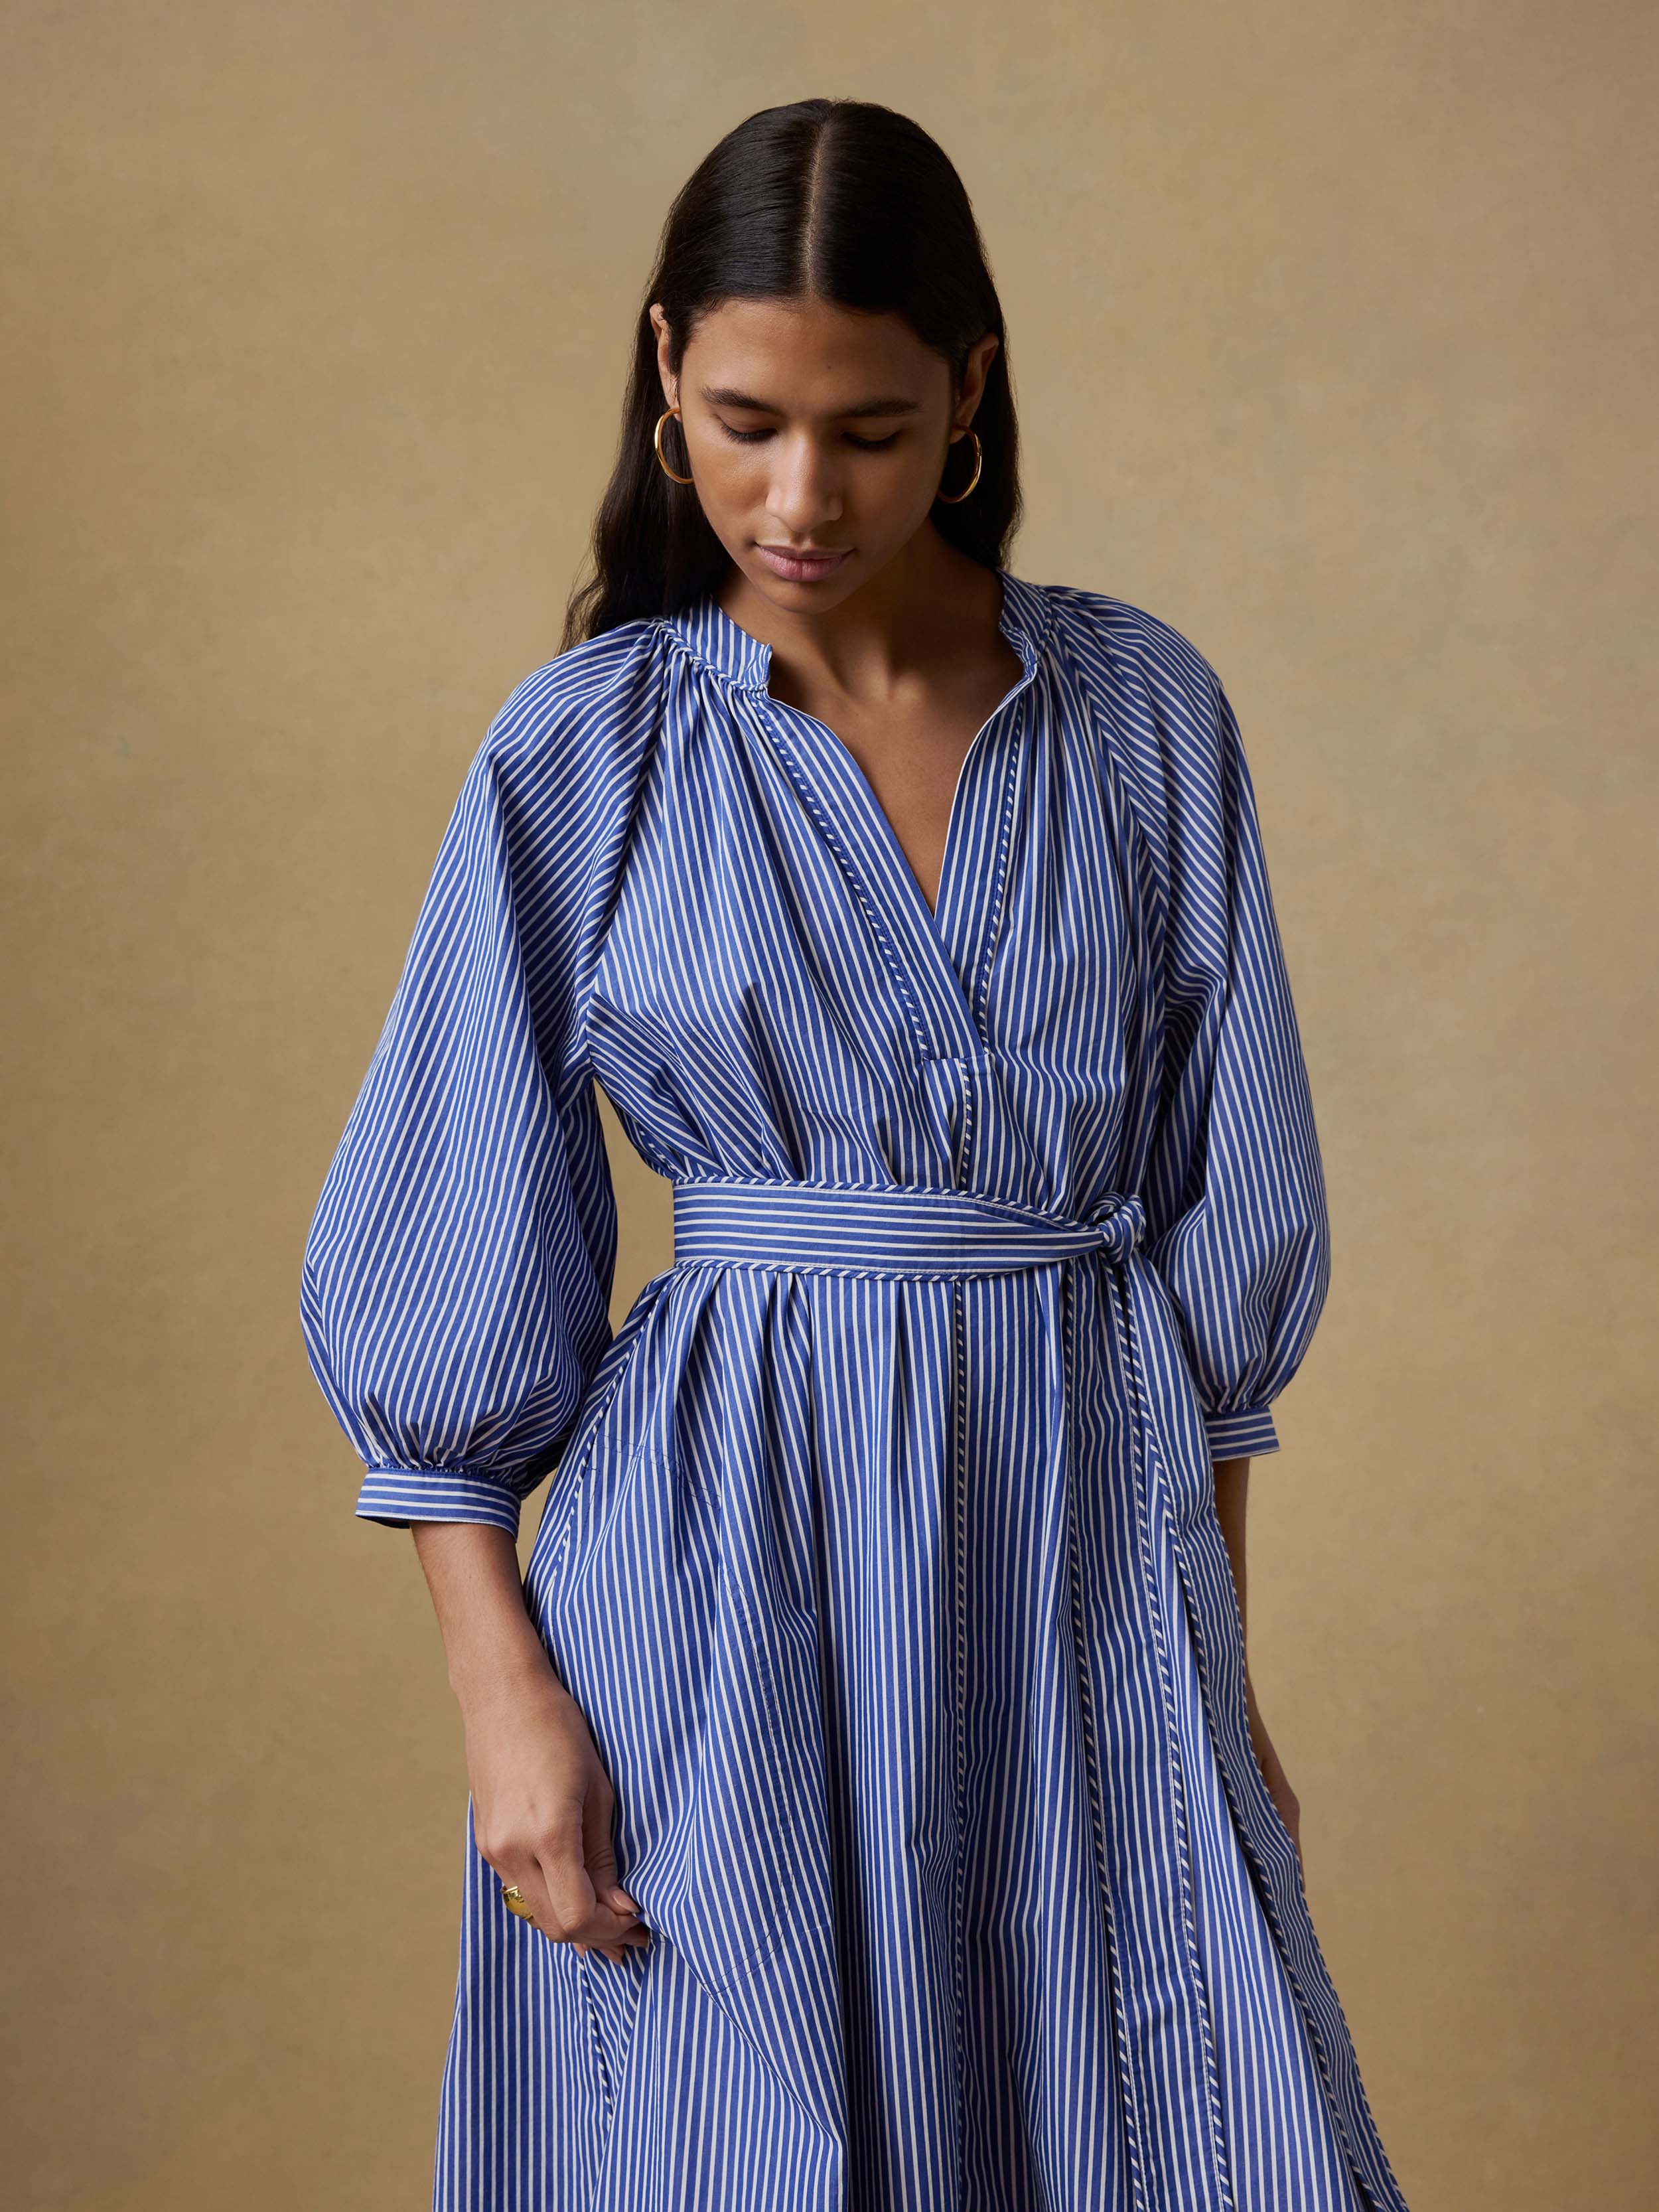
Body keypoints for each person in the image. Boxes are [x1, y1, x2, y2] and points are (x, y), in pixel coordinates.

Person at [301, 96, 1409, 2212]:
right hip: (721, 1574)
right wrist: (503, 1704)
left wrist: (1214, 1671)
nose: (798, 495)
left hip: (1083, 1554)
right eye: (742, 421)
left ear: (971, 393)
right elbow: (446, 1226)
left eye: (871, 431)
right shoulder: (590, 747)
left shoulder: (1143, 715)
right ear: (660, 374)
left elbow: (1218, 1238)